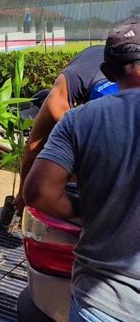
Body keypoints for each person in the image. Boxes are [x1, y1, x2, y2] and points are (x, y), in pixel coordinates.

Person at [23, 21, 140, 322]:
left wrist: (85, 204)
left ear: (107, 71)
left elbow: (37, 191)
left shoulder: (81, 119)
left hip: (99, 305)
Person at [15, 44, 118, 211]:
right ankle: (20, 199)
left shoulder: (130, 88)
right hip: (81, 75)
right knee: (36, 144)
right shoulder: (73, 80)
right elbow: (66, 126)